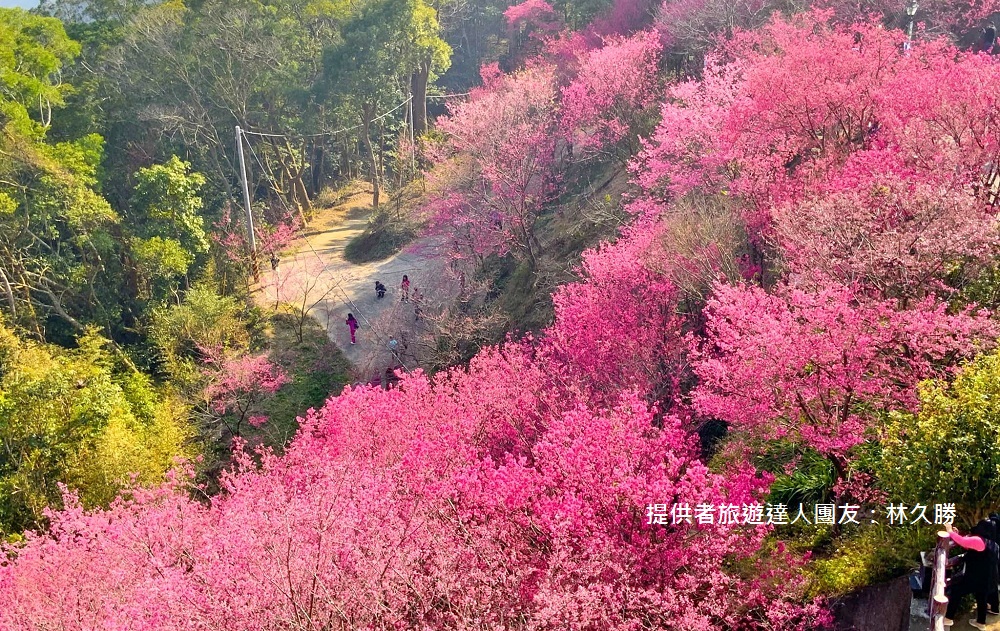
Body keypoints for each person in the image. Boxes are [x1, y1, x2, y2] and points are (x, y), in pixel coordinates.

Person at [944, 520, 999, 629]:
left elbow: (964, 542)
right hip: (989, 579)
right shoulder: (994, 544)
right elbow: (969, 544)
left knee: (956, 591)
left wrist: (950, 531)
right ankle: (981, 623)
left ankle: (948, 618)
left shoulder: (979, 540)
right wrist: (957, 534)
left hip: (975, 577)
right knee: (981, 598)